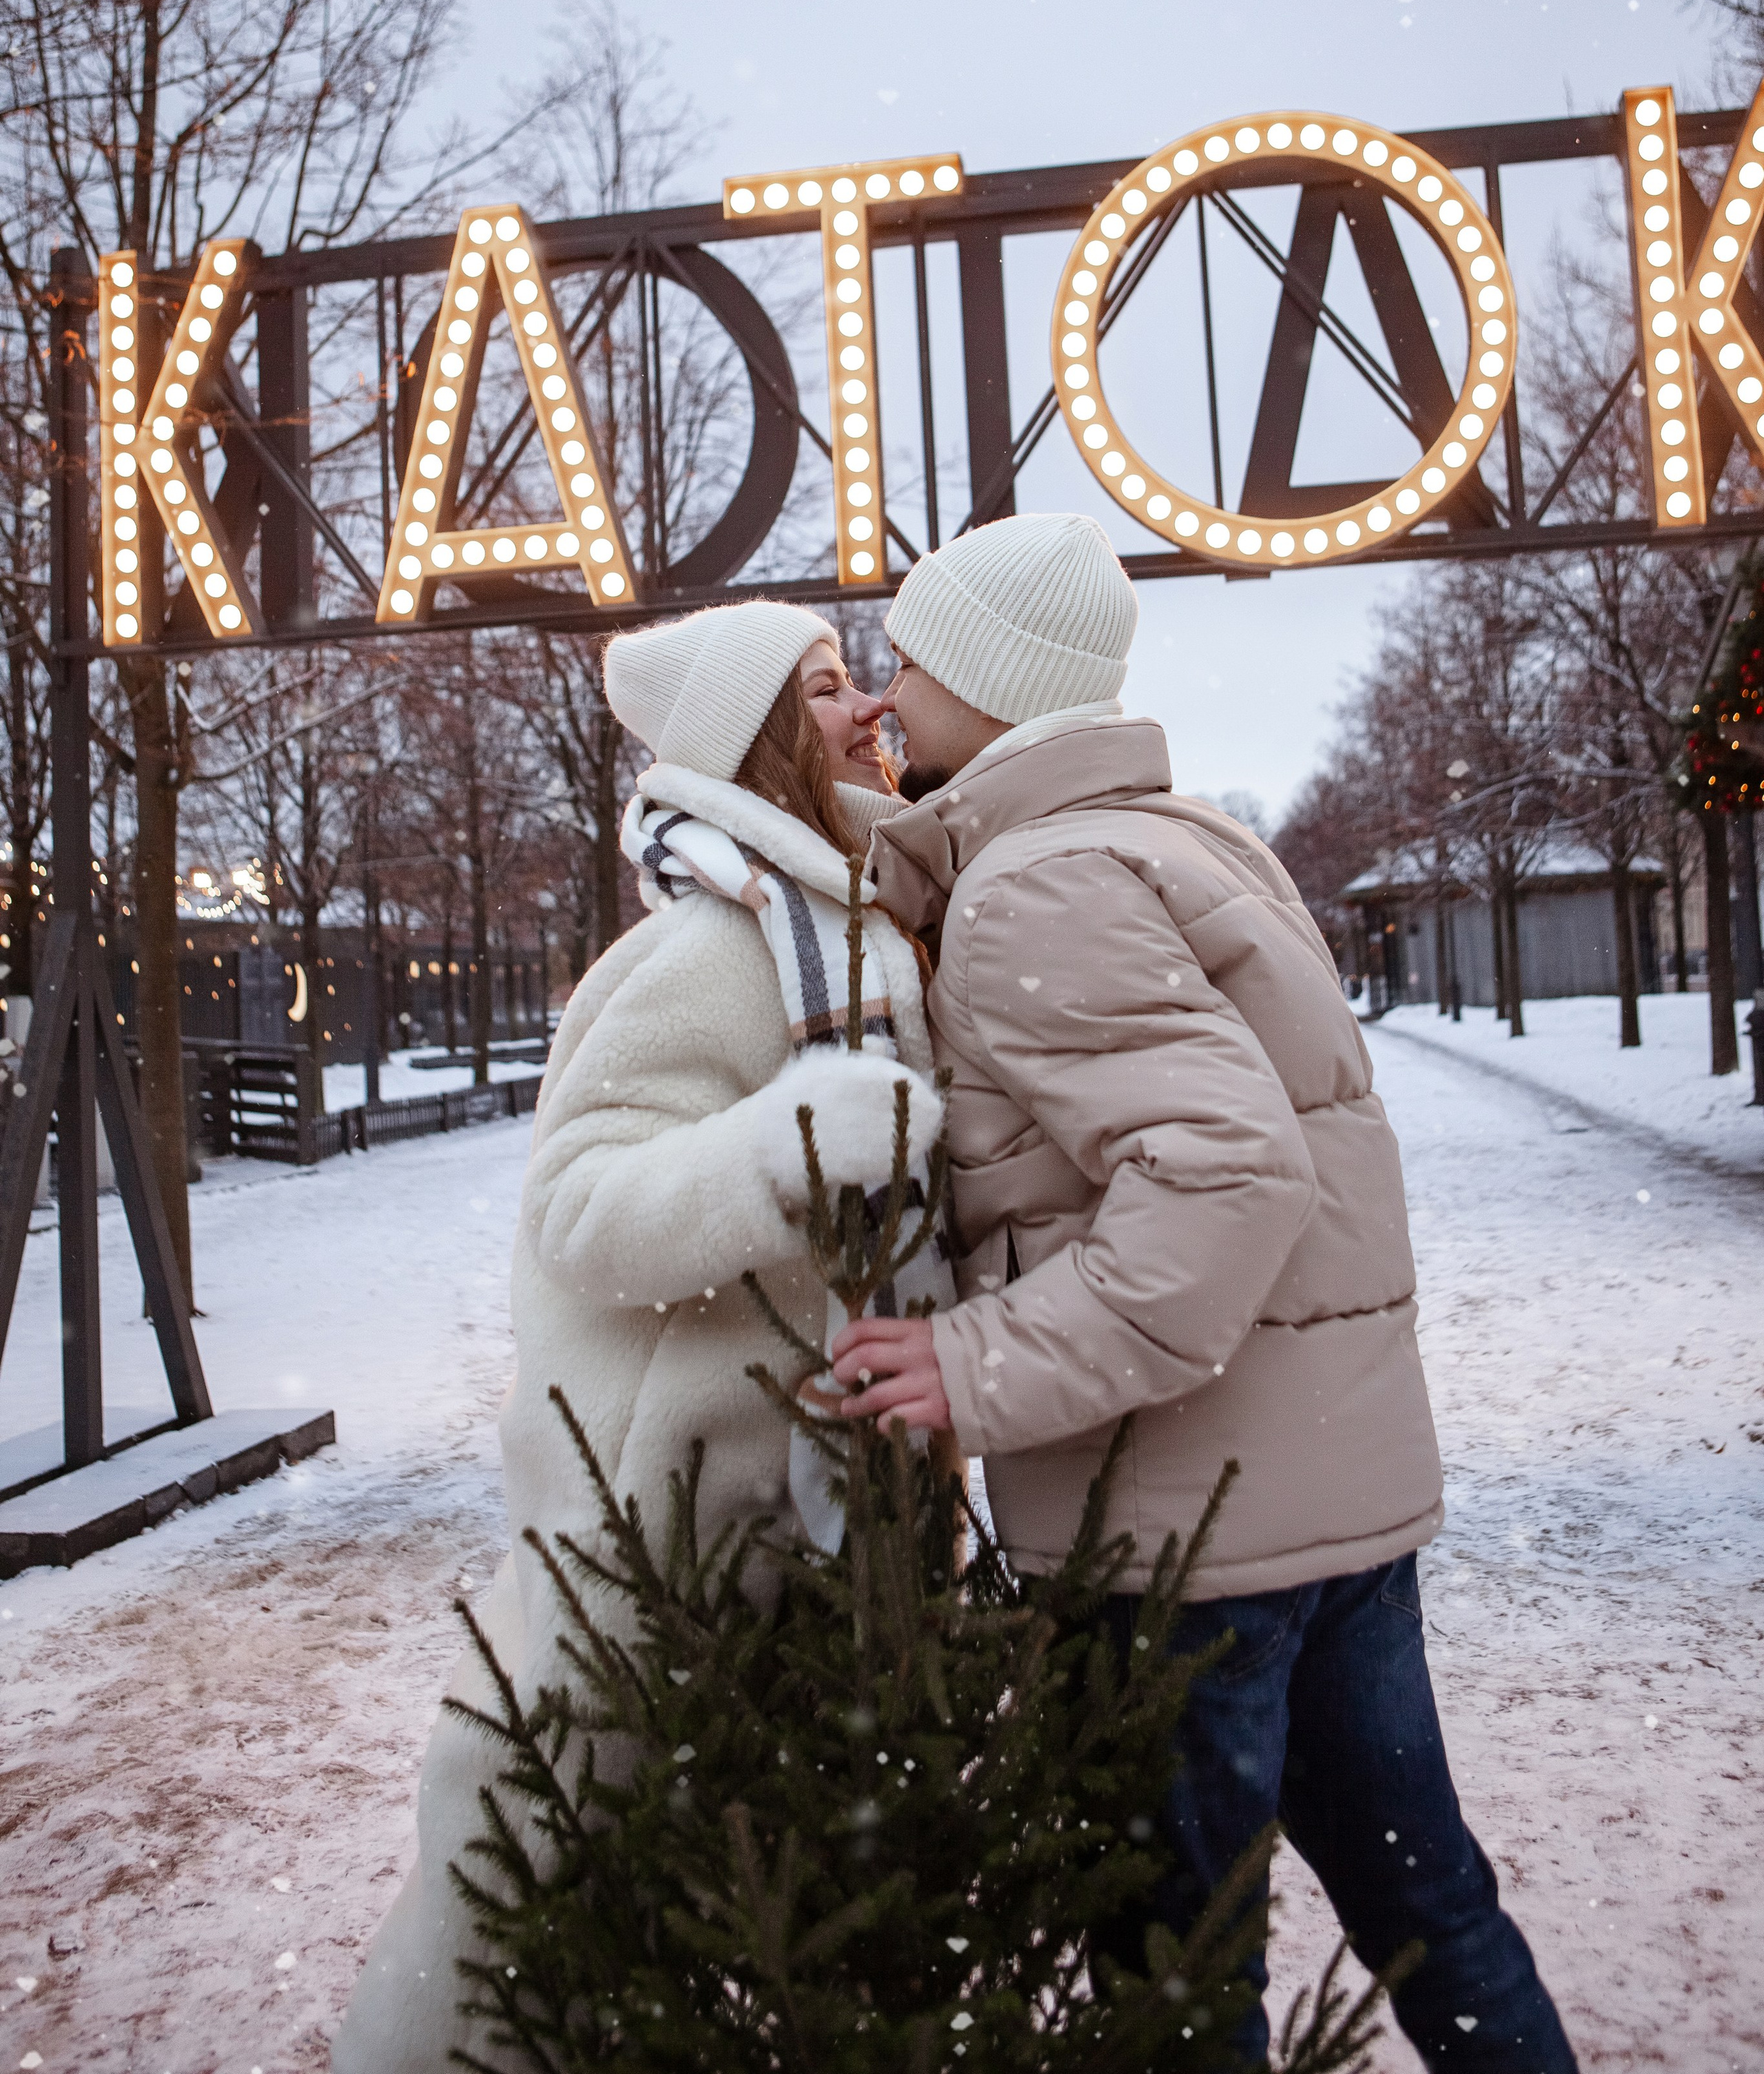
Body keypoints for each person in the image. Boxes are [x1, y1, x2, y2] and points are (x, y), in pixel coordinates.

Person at [831, 512, 1577, 2072]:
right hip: (1329, 1503)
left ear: (988, 680)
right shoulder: (1185, 840)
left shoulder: (1036, 887)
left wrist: (976, 1362)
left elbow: (1229, 1176)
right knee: (1430, 1908)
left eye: (909, 659)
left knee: (1174, 1986)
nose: (885, 693)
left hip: (1181, 1543)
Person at [334, 602, 944, 2074]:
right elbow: (579, 1212)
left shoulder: (854, 928)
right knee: (524, 1887)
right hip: (655, 1535)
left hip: (783, 1523)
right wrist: (793, 1146)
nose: (868, 707)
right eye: (825, 689)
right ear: (757, 739)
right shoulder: (710, 952)